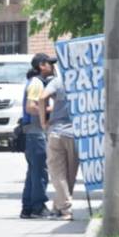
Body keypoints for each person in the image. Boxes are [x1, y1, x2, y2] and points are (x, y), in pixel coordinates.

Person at [19, 53, 54, 219]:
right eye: (49, 63)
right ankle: (38, 206)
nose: (52, 67)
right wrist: (50, 110)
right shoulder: (37, 83)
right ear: (41, 65)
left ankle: (28, 207)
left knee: (33, 171)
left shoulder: (38, 82)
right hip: (36, 133)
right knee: (40, 171)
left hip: (33, 134)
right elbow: (30, 107)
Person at [39, 70, 78, 221]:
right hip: (76, 133)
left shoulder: (58, 81)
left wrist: (43, 122)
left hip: (57, 131)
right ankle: (57, 207)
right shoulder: (85, 80)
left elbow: (42, 97)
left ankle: (66, 209)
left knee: (57, 173)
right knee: (69, 175)